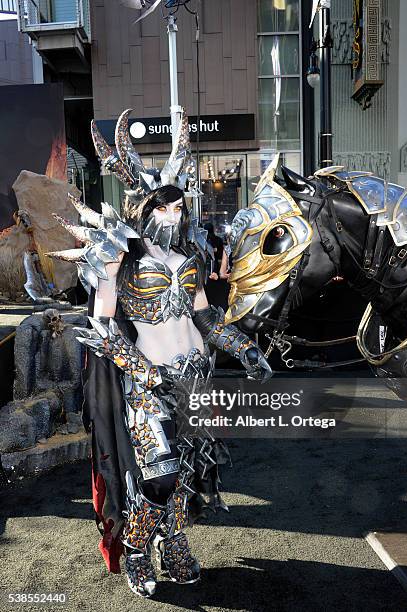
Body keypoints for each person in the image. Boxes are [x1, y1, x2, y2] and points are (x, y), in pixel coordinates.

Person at [48, 109, 271, 598]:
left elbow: (204, 318)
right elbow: (102, 327)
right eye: (163, 208)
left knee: (187, 471)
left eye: (178, 208)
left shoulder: (191, 257)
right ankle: (134, 547)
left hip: (196, 379)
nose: (173, 216)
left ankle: (172, 542)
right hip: (147, 382)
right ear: (144, 209)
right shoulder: (116, 257)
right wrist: (140, 369)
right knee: (159, 475)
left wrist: (246, 349)